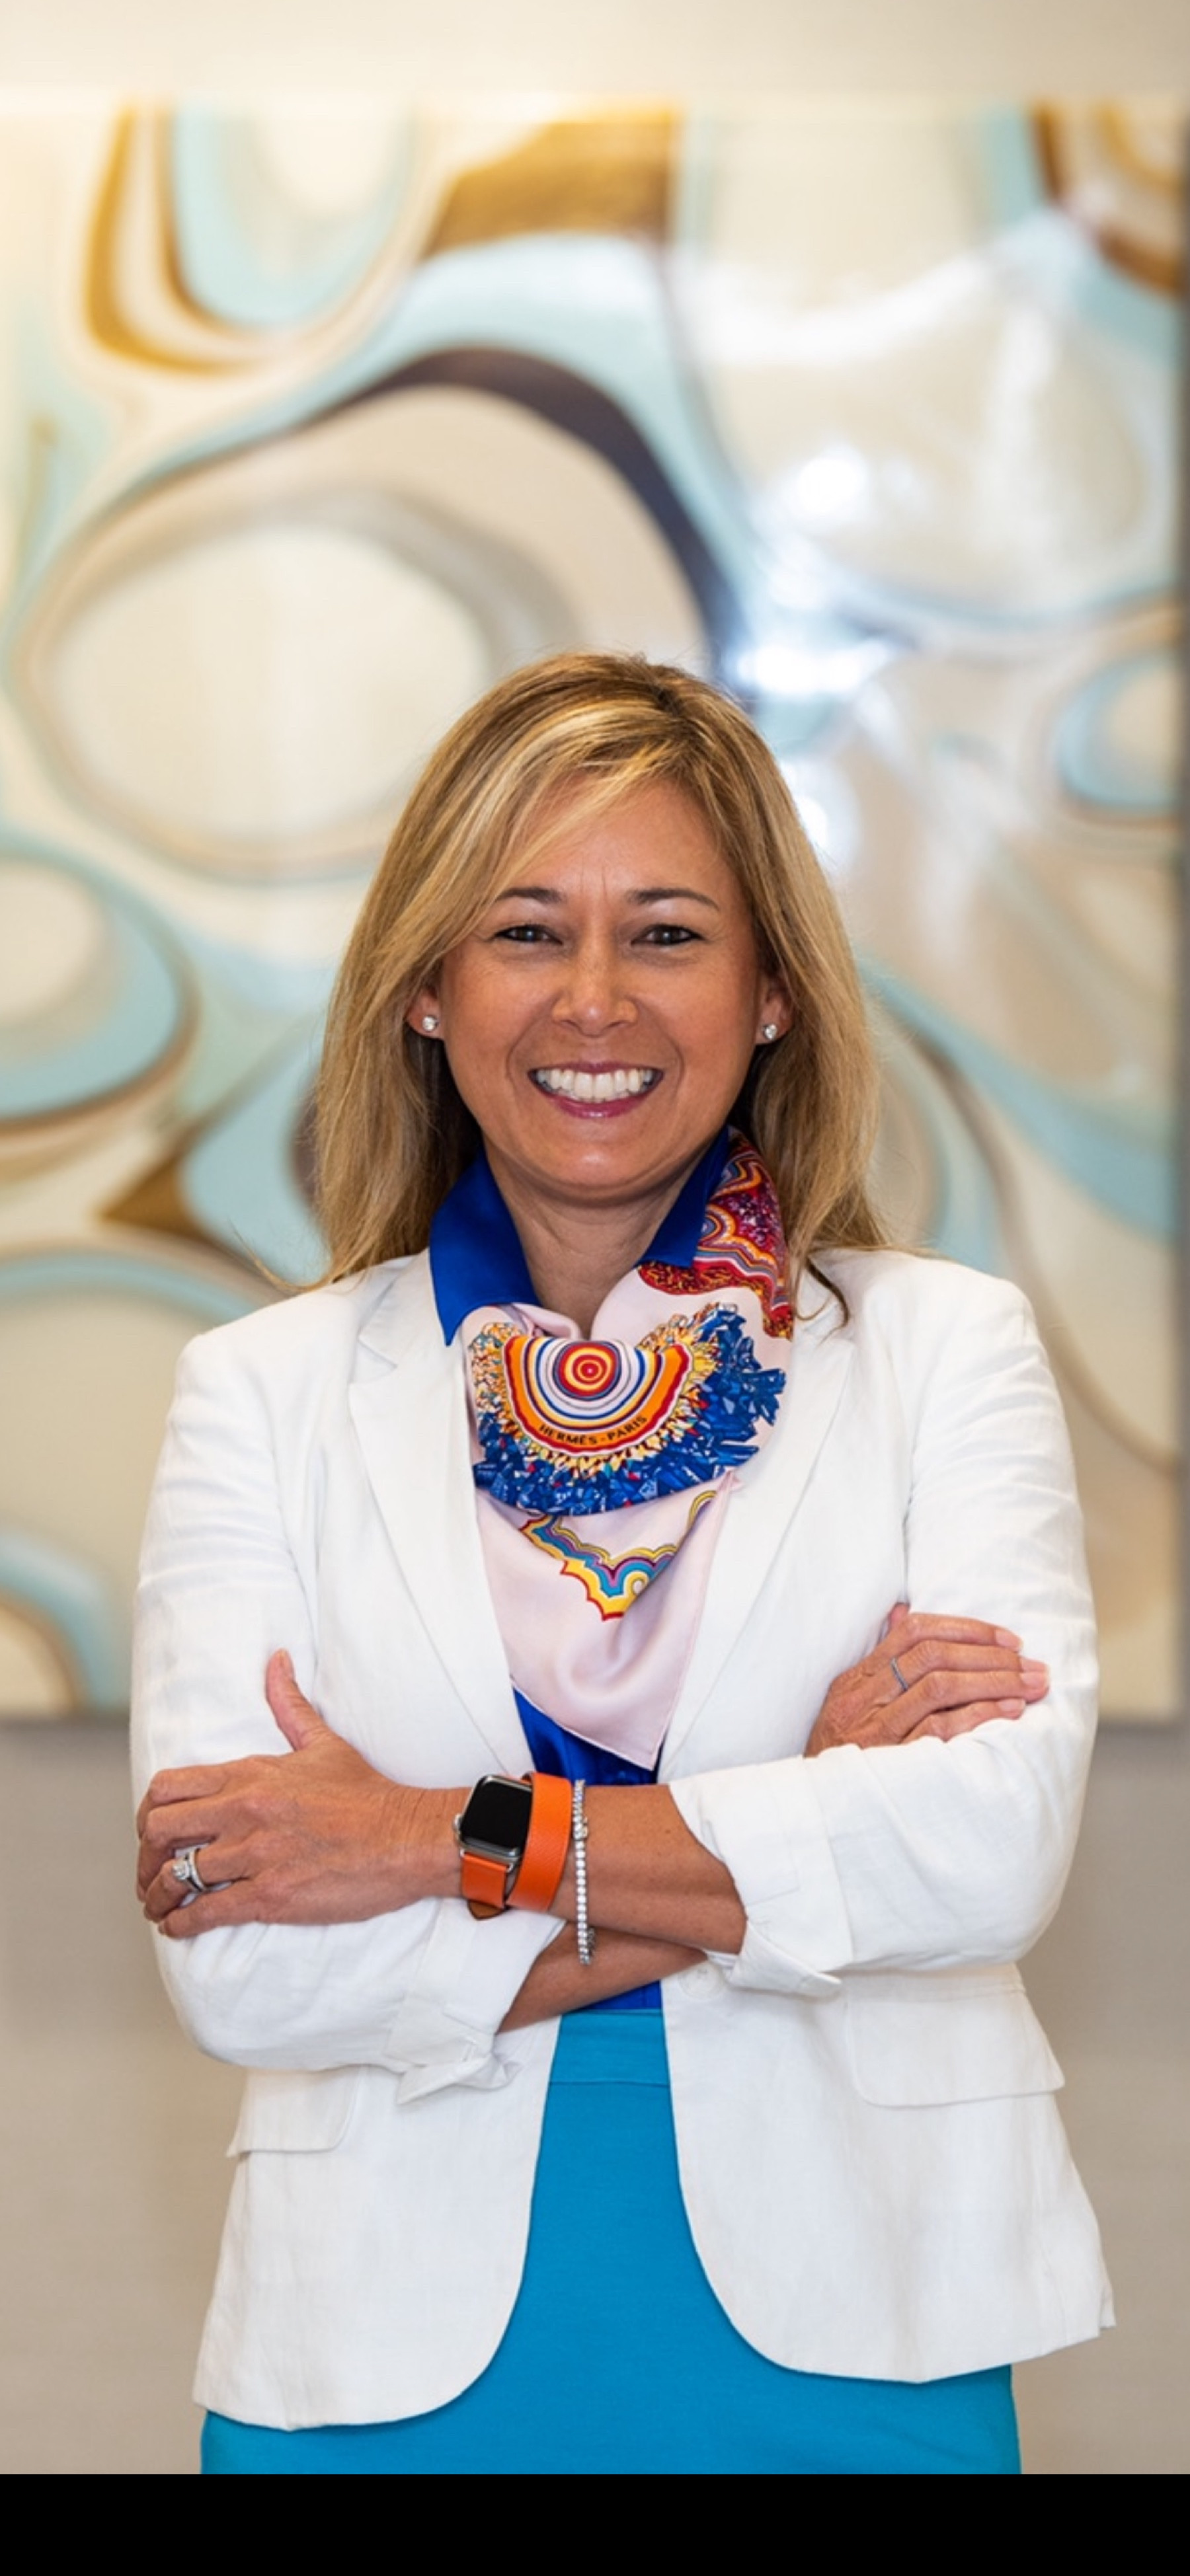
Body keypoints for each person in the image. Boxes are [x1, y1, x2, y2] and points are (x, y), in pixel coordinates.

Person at [132, 652, 1111, 2476]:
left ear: (773, 992)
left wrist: (428, 1836)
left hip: (859, 2327)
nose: (595, 998)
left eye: (667, 933)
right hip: (378, 2353)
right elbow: (243, 1967)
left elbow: (987, 1852)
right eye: (525, 931)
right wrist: (794, 1814)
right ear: (428, 988)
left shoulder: (944, 1351)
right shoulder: (260, 1393)